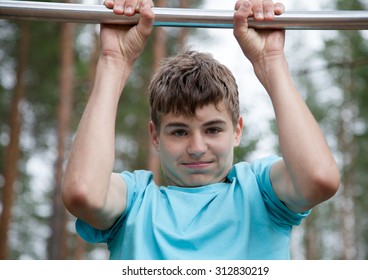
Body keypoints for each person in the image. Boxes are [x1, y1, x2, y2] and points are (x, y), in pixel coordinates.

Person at [62, 0, 340, 259]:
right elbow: (83, 193)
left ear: (237, 130)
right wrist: (114, 61)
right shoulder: (136, 202)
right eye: (179, 132)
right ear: (155, 136)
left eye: (213, 130)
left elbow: (318, 179)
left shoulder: (259, 192)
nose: (196, 148)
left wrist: (271, 62)